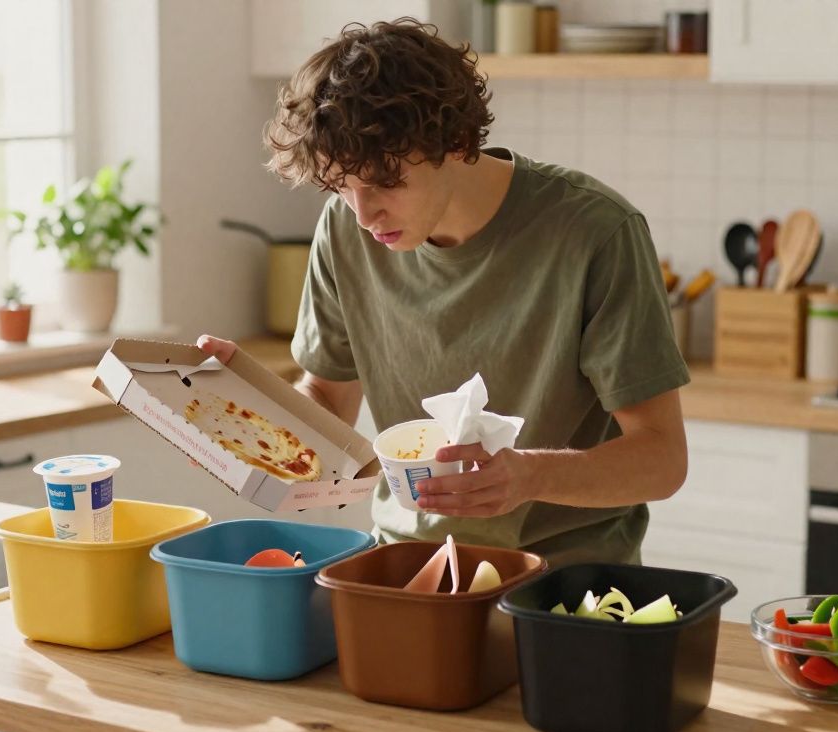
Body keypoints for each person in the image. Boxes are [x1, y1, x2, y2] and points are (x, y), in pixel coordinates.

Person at [198, 18, 689, 566]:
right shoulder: (344, 228)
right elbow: (329, 400)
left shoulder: (594, 231)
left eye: (386, 182)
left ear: (455, 142)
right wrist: (250, 410)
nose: (364, 214)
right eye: (341, 185)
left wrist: (528, 476)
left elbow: (663, 458)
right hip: (410, 568)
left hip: (568, 585)